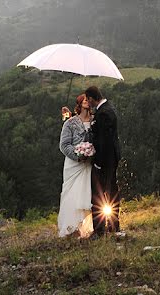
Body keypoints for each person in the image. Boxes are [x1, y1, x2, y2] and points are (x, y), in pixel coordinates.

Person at [85, 85, 121, 235]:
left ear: (92, 98)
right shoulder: (107, 108)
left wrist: (98, 162)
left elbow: (103, 141)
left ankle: (99, 230)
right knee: (112, 191)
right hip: (112, 158)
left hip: (105, 160)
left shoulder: (103, 114)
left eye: (88, 99)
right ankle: (113, 225)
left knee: (98, 194)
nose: (88, 102)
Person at [57, 93, 94, 238]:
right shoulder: (70, 123)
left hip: (90, 164)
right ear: (79, 103)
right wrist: (78, 155)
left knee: (87, 194)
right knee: (71, 194)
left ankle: (87, 227)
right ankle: (70, 228)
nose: (86, 100)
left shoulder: (95, 121)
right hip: (74, 165)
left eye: (88, 99)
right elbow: (64, 145)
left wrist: (90, 154)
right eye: (83, 99)